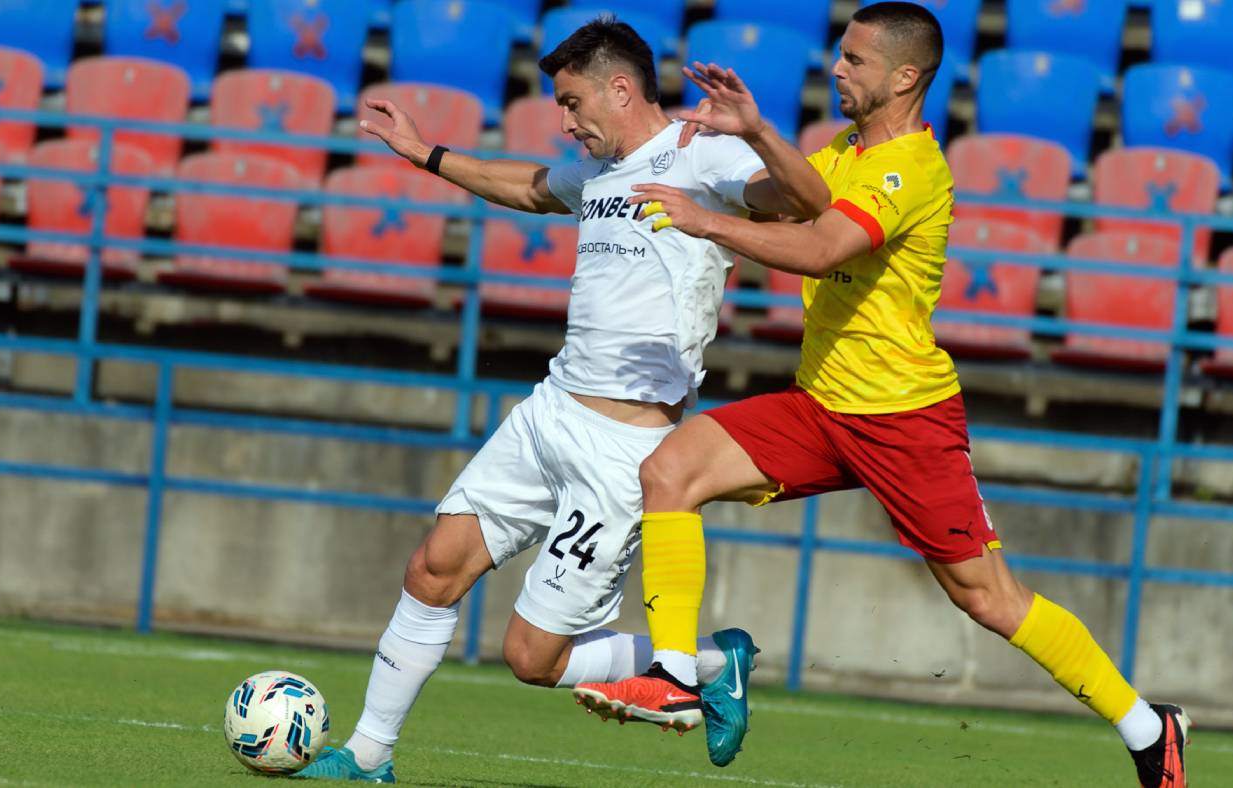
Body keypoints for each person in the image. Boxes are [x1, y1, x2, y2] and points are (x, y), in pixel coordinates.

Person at [571, 4, 1190, 786]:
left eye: (855, 60)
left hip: (904, 418)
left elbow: (821, 245)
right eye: (840, 54)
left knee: (988, 598)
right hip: (819, 404)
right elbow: (790, 198)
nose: (837, 68)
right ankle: (676, 675)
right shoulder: (845, 151)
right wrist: (756, 134)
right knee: (670, 470)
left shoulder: (912, 169)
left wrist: (707, 224)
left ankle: (1148, 729)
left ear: (905, 77)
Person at [296, 17, 831, 781]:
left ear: (621, 89)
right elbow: (525, 185)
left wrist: (759, 133)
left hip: (622, 451)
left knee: (532, 658)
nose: (566, 121)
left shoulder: (703, 154)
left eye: (573, 102)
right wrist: (427, 154)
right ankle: (367, 755)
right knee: (433, 568)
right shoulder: (597, 172)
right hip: (549, 414)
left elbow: (806, 203)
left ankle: (714, 662)